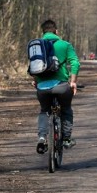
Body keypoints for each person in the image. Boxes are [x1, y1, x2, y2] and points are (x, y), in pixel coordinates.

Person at [34, 20, 81, 154]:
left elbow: (33, 67)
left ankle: (42, 137)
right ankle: (66, 139)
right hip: (61, 86)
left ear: (42, 32)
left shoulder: (37, 46)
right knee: (66, 109)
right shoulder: (65, 45)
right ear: (56, 31)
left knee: (44, 110)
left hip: (42, 88)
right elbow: (75, 64)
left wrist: (37, 81)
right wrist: (73, 81)